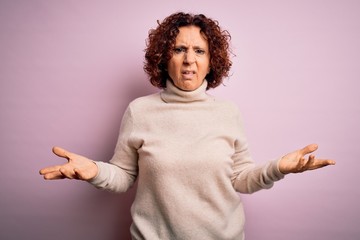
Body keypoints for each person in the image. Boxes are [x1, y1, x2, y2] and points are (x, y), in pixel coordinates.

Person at [39, 12, 335, 240]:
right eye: (179, 49)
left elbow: (241, 178)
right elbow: (123, 176)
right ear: (164, 57)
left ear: (211, 62)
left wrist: (278, 168)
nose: (189, 60)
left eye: (200, 51)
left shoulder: (228, 113)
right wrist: (94, 170)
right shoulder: (140, 111)